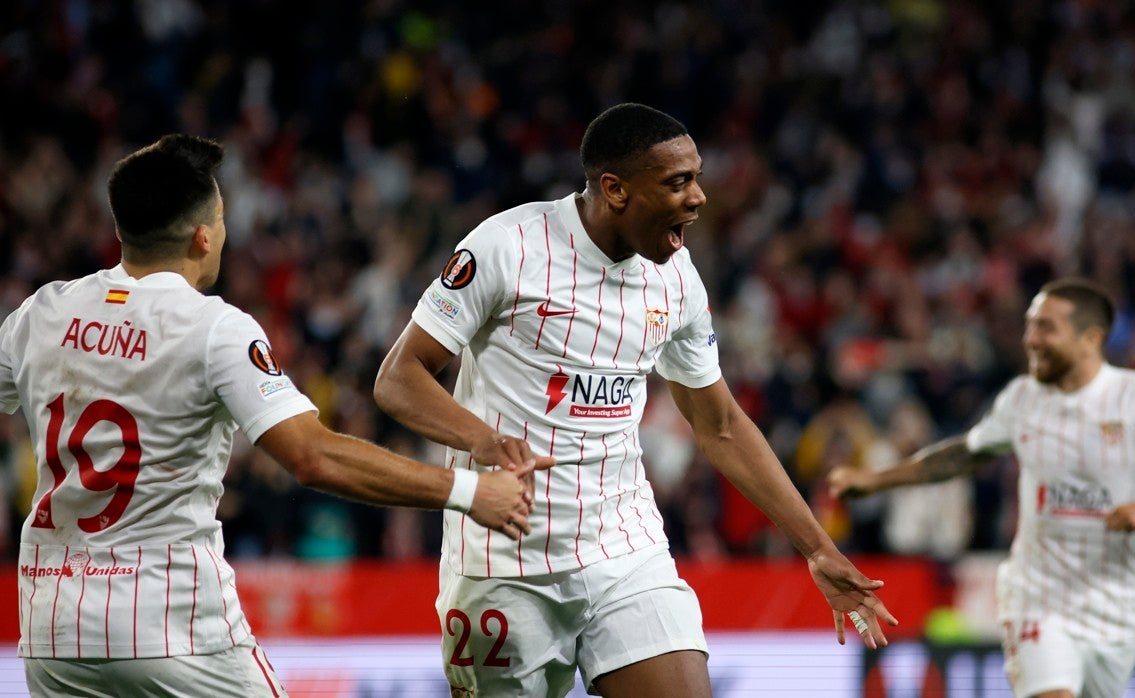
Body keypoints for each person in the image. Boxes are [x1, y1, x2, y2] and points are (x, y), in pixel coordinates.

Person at [0, 134, 553, 697]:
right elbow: (312, 456)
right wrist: (468, 492)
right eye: (221, 216)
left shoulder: (40, 313)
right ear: (202, 236)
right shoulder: (214, 329)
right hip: (170, 630)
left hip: (53, 631)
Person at [374, 102, 897, 698]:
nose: (698, 197)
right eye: (678, 182)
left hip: (623, 547)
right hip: (502, 559)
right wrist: (484, 442)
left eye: (696, 177)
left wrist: (817, 548)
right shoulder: (507, 246)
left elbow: (720, 425)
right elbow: (398, 378)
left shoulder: (676, 277)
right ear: (615, 189)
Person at [828, 277, 1135, 698]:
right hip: (1037, 596)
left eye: (1046, 328)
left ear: (1091, 338)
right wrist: (876, 480)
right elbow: (965, 454)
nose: (1030, 339)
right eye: (1029, 325)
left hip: (1116, 606)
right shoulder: (1023, 398)